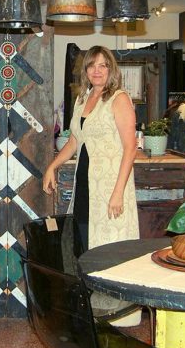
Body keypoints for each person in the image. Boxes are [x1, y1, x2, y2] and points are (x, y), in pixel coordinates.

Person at [43, 46, 139, 251]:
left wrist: (118, 192)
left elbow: (131, 148)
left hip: (110, 185)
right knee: (84, 245)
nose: (97, 70)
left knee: (109, 248)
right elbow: (74, 141)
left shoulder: (119, 99)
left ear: (111, 69)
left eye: (103, 65)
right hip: (85, 186)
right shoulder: (82, 99)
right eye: (92, 65)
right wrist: (53, 166)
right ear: (85, 70)